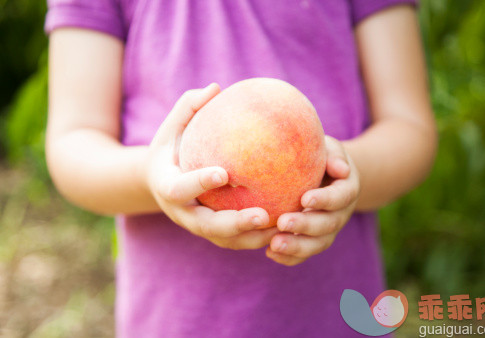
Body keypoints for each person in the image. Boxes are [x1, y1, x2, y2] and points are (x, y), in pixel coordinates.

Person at [44, 0, 437, 336]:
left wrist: (346, 172)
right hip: (177, 322)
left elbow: (411, 130)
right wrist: (151, 176)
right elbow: (74, 143)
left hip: (337, 317)